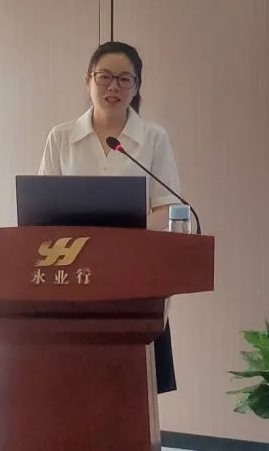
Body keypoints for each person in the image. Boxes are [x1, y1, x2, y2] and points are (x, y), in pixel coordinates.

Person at [38, 41, 181, 394]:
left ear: (136, 86)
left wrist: (124, 236)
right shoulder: (61, 137)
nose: (113, 87)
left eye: (124, 79)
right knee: (72, 381)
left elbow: (168, 207)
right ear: (88, 80)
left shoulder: (154, 138)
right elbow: (41, 207)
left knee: (131, 384)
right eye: (104, 77)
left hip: (134, 272)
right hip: (72, 270)